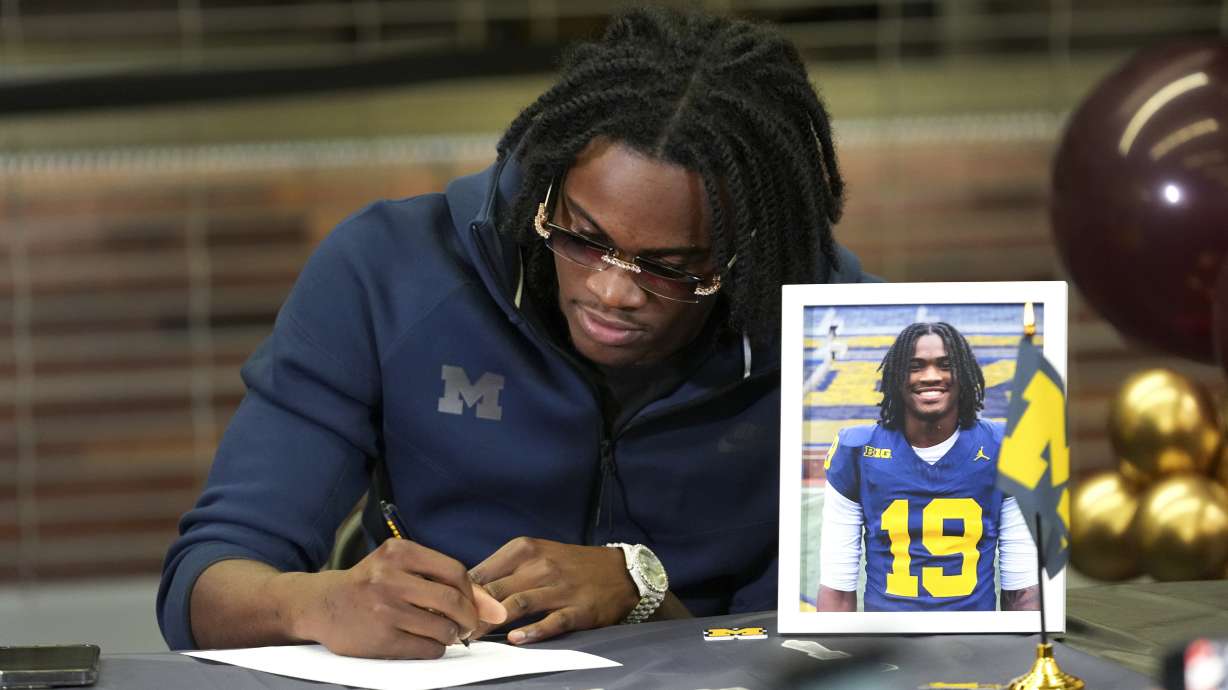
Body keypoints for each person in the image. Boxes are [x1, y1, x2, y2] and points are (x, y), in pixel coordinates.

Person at [157, 7, 873, 659]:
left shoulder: (842, 338)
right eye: (582, 238)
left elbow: (847, 644)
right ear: (547, 190)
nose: (610, 292)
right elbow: (204, 582)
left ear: (749, 252)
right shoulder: (390, 272)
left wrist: (648, 597)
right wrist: (314, 604)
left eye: (671, 269)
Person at [817, 322, 1039, 612]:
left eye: (946, 365)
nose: (931, 376)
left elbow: (1023, 590)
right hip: (886, 634)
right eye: (915, 366)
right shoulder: (856, 449)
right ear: (896, 375)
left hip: (974, 634)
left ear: (963, 374)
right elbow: (836, 587)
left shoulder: (1004, 447)